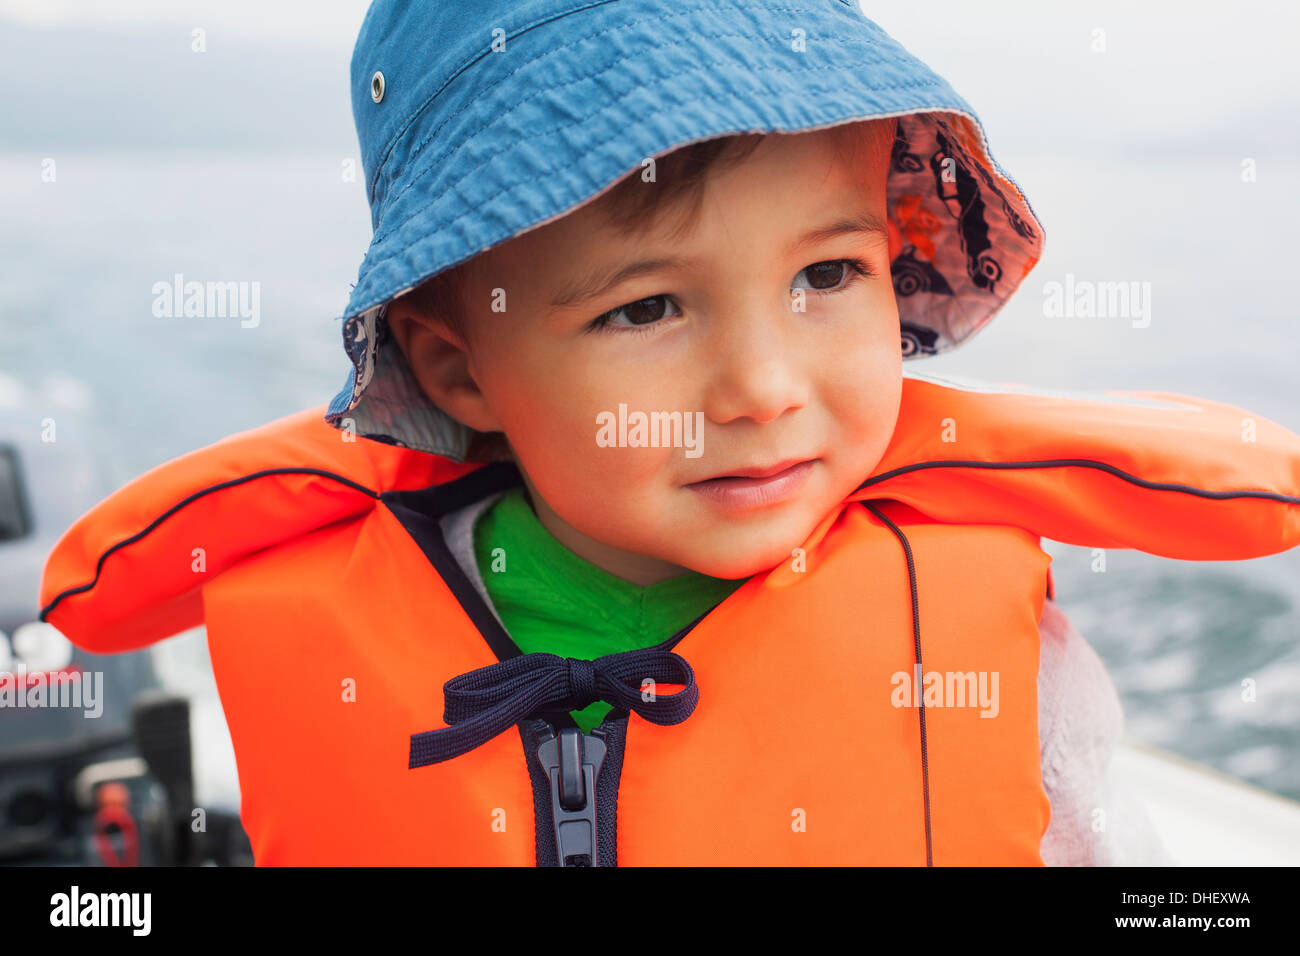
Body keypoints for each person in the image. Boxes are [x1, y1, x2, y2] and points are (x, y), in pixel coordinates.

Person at [38, 0, 1300, 865]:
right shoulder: (332, 616)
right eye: (645, 305)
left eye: (828, 276)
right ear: (454, 361)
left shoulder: (1000, 647)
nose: (762, 385)